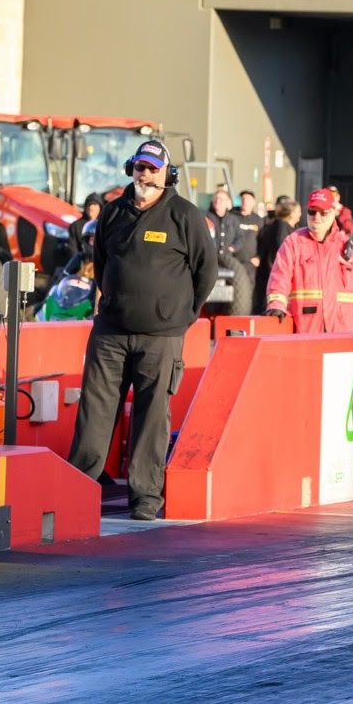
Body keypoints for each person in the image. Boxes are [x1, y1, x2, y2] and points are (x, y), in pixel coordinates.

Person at [67, 140, 217, 521]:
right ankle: (79, 489)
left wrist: (181, 315)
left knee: (152, 416)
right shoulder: (113, 212)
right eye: (140, 167)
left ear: (167, 174)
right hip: (110, 332)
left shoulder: (185, 215)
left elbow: (206, 272)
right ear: (130, 169)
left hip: (162, 336)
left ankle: (146, 498)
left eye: (153, 168)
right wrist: (115, 302)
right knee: (94, 411)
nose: (145, 175)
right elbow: (100, 264)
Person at [264, 188, 353, 333]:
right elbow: (280, 277)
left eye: (323, 213)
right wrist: (276, 305)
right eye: (312, 211)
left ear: (332, 212)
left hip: (344, 333)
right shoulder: (294, 242)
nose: (317, 217)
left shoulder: (346, 246)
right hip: (306, 331)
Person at [253, 198, 300, 313]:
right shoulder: (281, 226)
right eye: (299, 211)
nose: (301, 214)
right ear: (292, 212)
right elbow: (279, 250)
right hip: (272, 274)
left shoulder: (288, 227)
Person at [228, 189, 262, 279]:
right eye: (243, 199)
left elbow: (263, 241)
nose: (245, 202)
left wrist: (258, 257)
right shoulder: (231, 216)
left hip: (250, 263)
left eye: (248, 199)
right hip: (233, 261)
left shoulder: (258, 220)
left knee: (249, 289)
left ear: (253, 202)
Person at [203, 189, 239, 258]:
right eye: (216, 198)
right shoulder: (205, 217)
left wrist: (233, 248)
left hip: (227, 259)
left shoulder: (233, 219)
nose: (217, 201)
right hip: (210, 258)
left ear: (227, 202)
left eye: (221, 199)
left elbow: (240, 237)